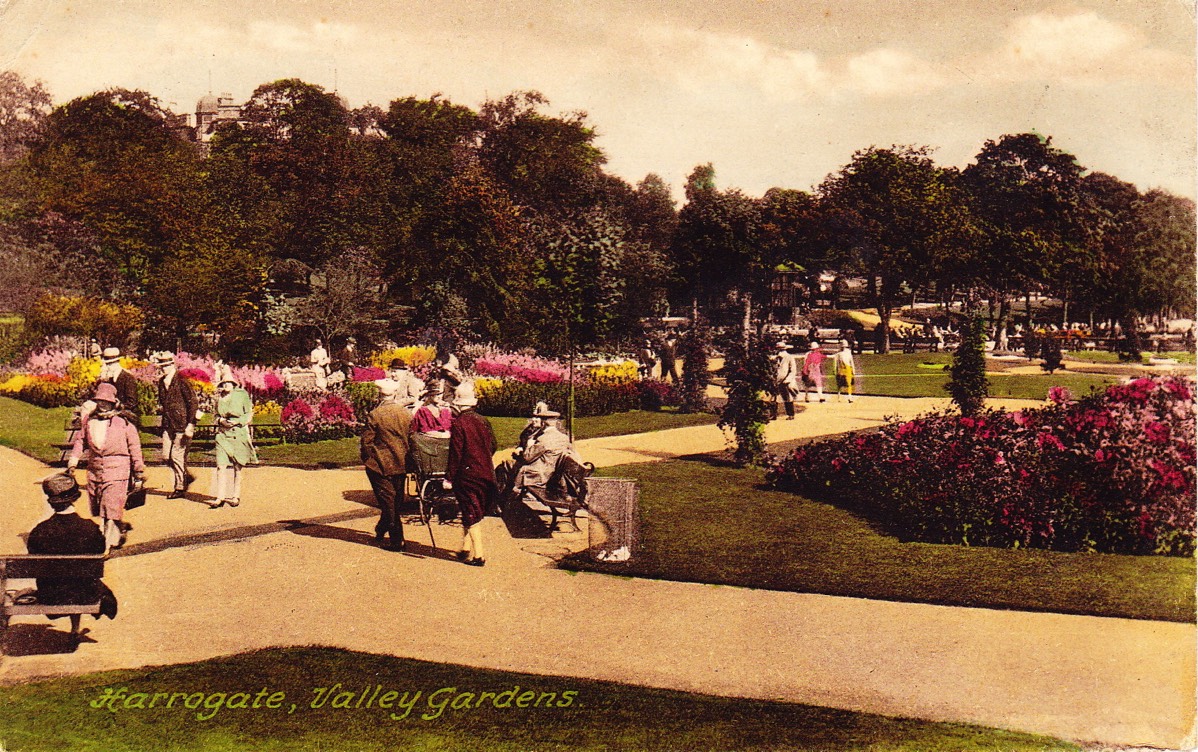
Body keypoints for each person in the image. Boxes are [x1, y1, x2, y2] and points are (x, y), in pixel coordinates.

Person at [26, 473, 118, 636]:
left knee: (68, 578)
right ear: (74, 498)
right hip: (85, 594)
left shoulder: (39, 531)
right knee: (78, 578)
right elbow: (99, 552)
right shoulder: (90, 529)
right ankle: (75, 628)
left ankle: (75, 628)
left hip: (51, 595)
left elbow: (33, 560)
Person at [67, 382, 146, 549]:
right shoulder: (89, 421)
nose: (102, 404)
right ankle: (115, 533)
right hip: (95, 470)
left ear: (113, 402)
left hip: (118, 470)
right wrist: (73, 460)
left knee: (110, 506)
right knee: (100, 507)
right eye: (100, 401)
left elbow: (135, 448)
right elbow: (81, 441)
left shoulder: (124, 423)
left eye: (106, 401)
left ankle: (105, 544)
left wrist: (139, 472)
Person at [444, 382, 497, 567]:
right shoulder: (483, 420)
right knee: (471, 511)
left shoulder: (459, 424)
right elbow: (493, 446)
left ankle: (479, 555)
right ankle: (465, 548)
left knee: (470, 514)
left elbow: (456, 453)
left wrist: (449, 478)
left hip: (467, 476)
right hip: (486, 473)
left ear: (458, 405)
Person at [361, 380, 413, 551]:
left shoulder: (375, 414)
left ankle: (397, 540)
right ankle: (382, 528)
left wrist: (368, 460)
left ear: (380, 395)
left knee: (388, 502)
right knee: (394, 501)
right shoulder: (405, 413)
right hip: (401, 461)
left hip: (380, 464)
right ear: (395, 394)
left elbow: (367, 442)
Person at [153, 351, 200, 499]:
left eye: (166, 365)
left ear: (172, 365)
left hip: (182, 424)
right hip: (168, 424)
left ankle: (179, 487)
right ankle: (186, 476)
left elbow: (193, 402)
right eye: (161, 366)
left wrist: (191, 424)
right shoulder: (161, 382)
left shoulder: (182, 380)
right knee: (167, 456)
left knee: (177, 456)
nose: (163, 368)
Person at [210, 374, 257, 509]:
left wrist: (237, 421)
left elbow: (248, 414)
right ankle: (220, 497)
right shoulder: (219, 398)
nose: (226, 385)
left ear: (233, 384)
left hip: (238, 434)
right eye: (224, 383)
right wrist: (221, 420)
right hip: (223, 435)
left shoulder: (242, 396)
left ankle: (235, 495)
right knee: (221, 466)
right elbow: (215, 415)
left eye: (229, 383)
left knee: (238, 466)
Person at [511, 407, 577, 494]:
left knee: (507, 466)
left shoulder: (543, 439)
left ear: (543, 423)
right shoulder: (564, 438)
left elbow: (527, 458)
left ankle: (505, 498)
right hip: (553, 474)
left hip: (538, 475)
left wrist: (529, 445)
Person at [96, 347, 140, 420]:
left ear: (117, 363)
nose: (108, 367)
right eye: (107, 364)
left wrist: (119, 406)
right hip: (109, 412)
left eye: (110, 364)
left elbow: (132, 402)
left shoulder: (127, 378)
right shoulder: (109, 378)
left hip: (126, 414)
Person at [771, 341, 799, 420]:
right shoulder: (775, 358)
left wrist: (788, 380)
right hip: (776, 380)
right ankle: (773, 414)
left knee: (787, 397)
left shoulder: (789, 357)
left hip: (785, 381)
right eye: (779, 350)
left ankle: (790, 414)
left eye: (782, 350)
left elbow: (793, 370)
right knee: (774, 398)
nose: (780, 352)